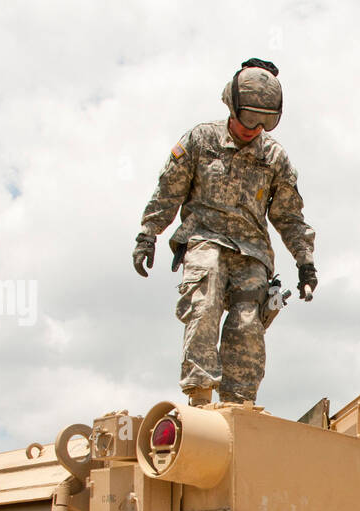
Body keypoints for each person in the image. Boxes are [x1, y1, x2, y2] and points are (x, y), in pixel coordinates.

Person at [132, 58, 317, 406]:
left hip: (253, 253)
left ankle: (238, 406)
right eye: (249, 118)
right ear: (231, 106)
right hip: (206, 237)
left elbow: (289, 216)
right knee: (206, 299)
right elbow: (167, 192)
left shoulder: (274, 158)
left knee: (248, 323)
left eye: (265, 121)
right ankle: (201, 397)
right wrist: (148, 234)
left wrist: (305, 263)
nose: (255, 128)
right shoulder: (201, 141)